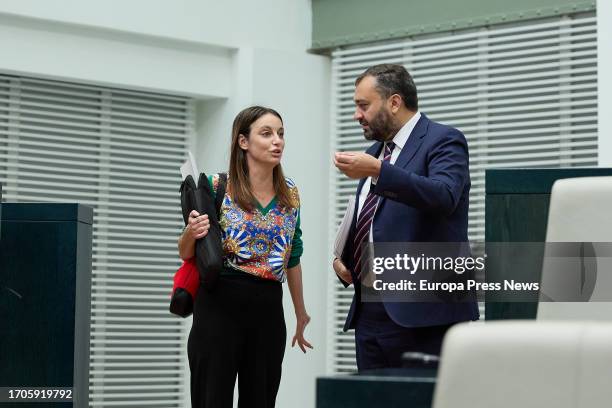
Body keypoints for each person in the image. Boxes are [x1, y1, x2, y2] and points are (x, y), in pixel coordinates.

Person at [332, 64, 479, 372]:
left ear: (394, 102)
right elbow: (375, 221)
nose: (357, 115)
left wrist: (377, 171)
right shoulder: (375, 152)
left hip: (426, 316)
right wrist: (346, 259)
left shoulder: (444, 140)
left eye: (363, 105)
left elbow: (444, 196)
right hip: (369, 312)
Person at [178, 106, 312, 408]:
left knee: (261, 399)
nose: (277, 141)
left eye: (280, 133)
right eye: (266, 133)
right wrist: (190, 232)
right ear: (243, 142)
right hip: (219, 303)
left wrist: (301, 313)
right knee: (212, 398)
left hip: (267, 307)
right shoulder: (215, 186)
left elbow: (294, 253)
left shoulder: (290, 193)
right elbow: (187, 253)